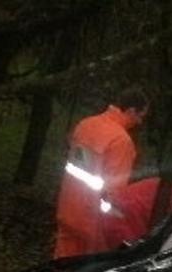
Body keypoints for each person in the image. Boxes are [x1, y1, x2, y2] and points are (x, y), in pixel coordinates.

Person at [52, 87, 149, 258]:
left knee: (58, 267)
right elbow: (115, 192)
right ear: (131, 110)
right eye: (140, 116)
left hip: (68, 209)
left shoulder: (86, 124)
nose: (140, 122)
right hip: (93, 224)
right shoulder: (121, 141)